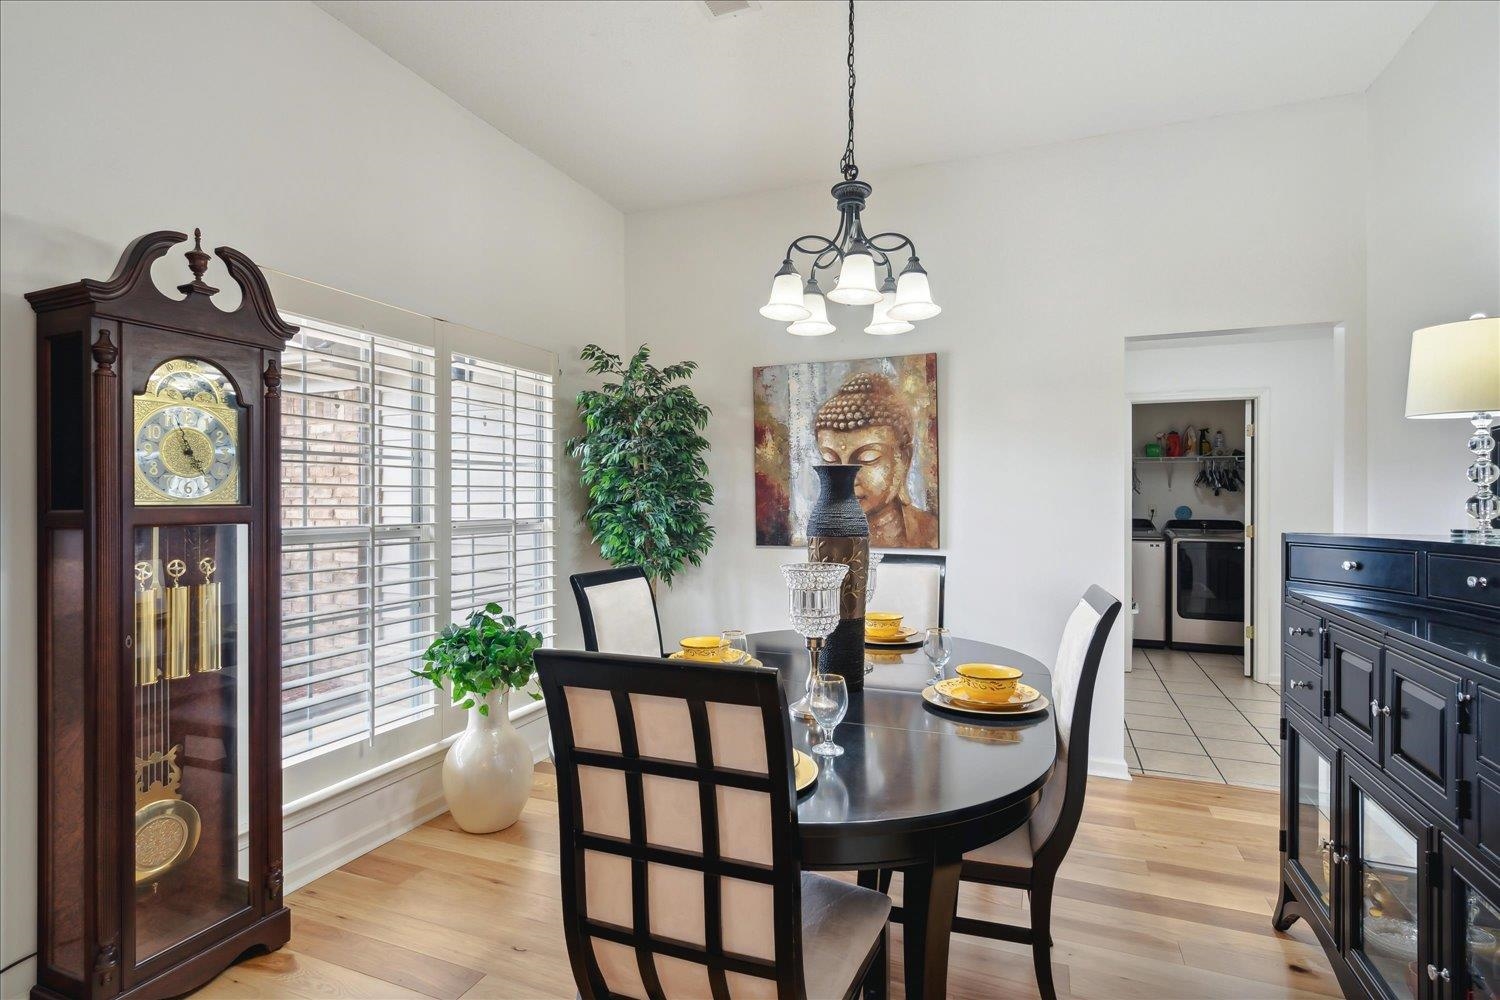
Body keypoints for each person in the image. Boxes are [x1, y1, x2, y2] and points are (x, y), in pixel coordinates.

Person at [813, 371, 938, 548]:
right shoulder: (816, 540)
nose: (846, 476)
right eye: (831, 461)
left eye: (867, 458)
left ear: (903, 459)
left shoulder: (931, 535)